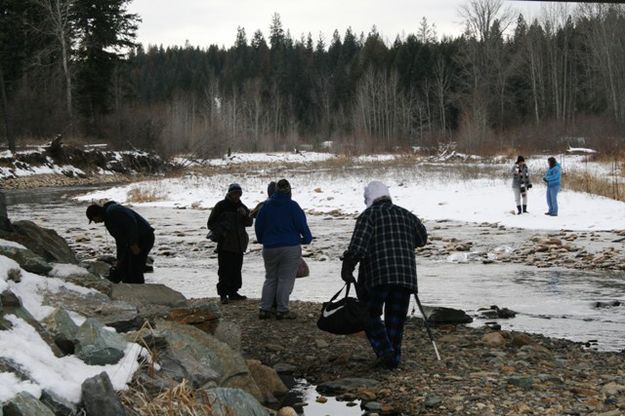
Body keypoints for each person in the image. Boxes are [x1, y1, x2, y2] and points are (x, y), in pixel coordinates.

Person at [341, 181, 427, 370]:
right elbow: (422, 239)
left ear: (369, 198)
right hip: (405, 275)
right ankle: (393, 358)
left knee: (369, 314)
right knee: (395, 319)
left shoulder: (369, 215)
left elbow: (358, 247)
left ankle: (385, 352)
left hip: (378, 275)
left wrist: (347, 268)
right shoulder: (407, 215)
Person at [255, 179, 312, 320]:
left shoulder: (266, 206)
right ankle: (282, 310)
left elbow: (258, 226)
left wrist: (263, 240)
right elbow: (302, 225)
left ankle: (265, 309)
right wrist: (306, 239)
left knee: (270, 278)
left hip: (269, 248)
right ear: (289, 190)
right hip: (290, 247)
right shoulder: (293, 206)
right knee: (285, 279)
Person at [86, 201, 155, 284]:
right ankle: (128, 287)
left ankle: (139, 290)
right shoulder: (108, 218)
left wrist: (133, 244)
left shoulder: (113, 211)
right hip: (134, 240)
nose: (95, 222)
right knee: (125, 265)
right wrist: (119, 259)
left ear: (97, 214)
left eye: (94, 219)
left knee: (135, 266)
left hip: (144, 237)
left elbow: (131, 224)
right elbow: (120, 240)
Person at [207, 183, 253, 304]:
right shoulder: (221, 206)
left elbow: (249, 223)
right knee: (224, 270)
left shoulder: (242, 207)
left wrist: (245, 215)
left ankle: (233, 292)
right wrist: (222, 231)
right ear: (229, 193)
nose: (237, 196)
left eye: (238, 193)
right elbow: (210, 223)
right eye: (234, 193)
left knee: (236, 269)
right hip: (225, 244)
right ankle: (223, 295)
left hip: (239, 244)